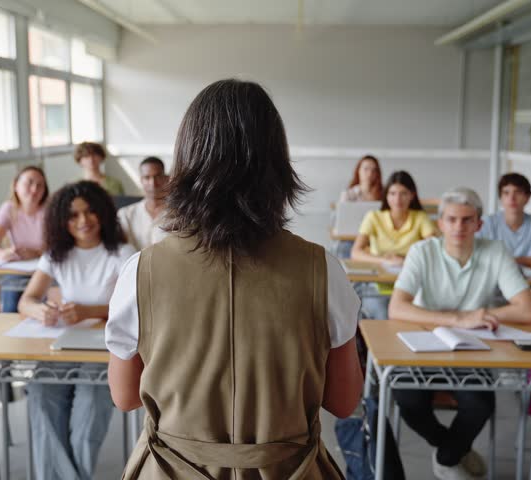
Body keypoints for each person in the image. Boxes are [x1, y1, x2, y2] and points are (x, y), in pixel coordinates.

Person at [106, 79, 363, 478]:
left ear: (186, 161)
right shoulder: (322, 269)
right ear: (277, 162)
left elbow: (125, 397)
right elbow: (344, 402)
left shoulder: (141, 271)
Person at [388, 187, 531, 480]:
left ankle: (447, 458)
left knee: (480, 404)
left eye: (467, 220)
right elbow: (397, 307)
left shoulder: (495, 251)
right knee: (408, 401)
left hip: (471, 346)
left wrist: (481, 317)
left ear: (479, 224)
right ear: (440, 223)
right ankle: (453, 447)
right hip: (422, 341)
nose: (459, 227)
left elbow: (528, 311)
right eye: (452, 219)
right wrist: (459, 318)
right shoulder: (423, 251)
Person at [17, 180, 134, 480]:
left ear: (103, 214)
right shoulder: (56, 255)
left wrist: (87, 311)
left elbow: (135, 307)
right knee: (41, 396)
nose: (83, 221)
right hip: (62, 346)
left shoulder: (123, 253)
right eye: (73, 215)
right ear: (61, 221)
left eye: (90, 212)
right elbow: (26, 300)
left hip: (104, 350)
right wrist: (39, 310)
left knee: (89, 410)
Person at [350, 170, 436, 319]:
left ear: (412, 195)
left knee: (414, 314)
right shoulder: (374, 217)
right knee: (383, 313)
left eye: (404, 193)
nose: (398, 199)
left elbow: (434, 248)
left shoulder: (420, 217)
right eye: (392, 193)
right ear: (386, 195)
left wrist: (407, 259)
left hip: (411, 286)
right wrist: (385, 260)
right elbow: (356, 252)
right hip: (376, 286)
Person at [0, 166, 49, 312]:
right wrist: (3, 254)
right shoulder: (8, 209)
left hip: (42, 269)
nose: (34, 189)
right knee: (10, 309)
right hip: (17, 269)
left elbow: (61, 245)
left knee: (36, 309)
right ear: (16, 185)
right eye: (29, 183)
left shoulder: (50, 210)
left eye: (40, 185)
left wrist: (36, 253)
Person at [478, 173, 531, 269]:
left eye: (518, 192)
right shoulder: (486, 223)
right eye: (506, 193)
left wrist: (517, 260)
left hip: (528, 281)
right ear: (501, 197)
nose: (512, 198)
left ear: (528, 197)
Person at [117, 156, 169, 250]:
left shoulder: (179, 214)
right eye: (147, 177)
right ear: (141, 180)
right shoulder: (125, 214)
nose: (153, 183)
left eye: (157, 177)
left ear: (166, 179)